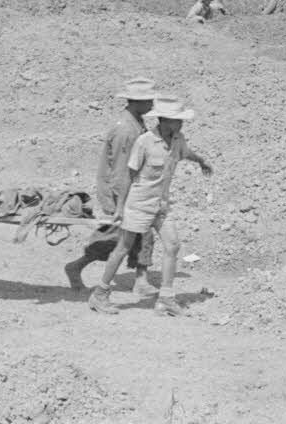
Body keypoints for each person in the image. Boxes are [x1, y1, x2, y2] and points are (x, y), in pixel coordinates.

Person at [88, 97, 212, 317]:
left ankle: (165, 299)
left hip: (161, 205)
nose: (181, 124)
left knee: (172, 246)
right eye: (177, 120)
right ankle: (100, 294)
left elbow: (186, 153)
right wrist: (120, 208)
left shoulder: (177, 139)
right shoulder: (144, 142)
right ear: (164, 120)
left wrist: (201, 161)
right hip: (139, 204)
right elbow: (129, 175)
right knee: (123, 247)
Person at [63, 78, 158, 293]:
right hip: (120, 191)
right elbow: (120, 172)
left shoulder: (136, 123)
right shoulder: (126, 130)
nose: (152, 105)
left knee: (138, 233)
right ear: (136, 102)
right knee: (123, 235)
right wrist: (120, 205)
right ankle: (77, 266)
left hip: (129, 189)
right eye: (148, 100)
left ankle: (140, 279)